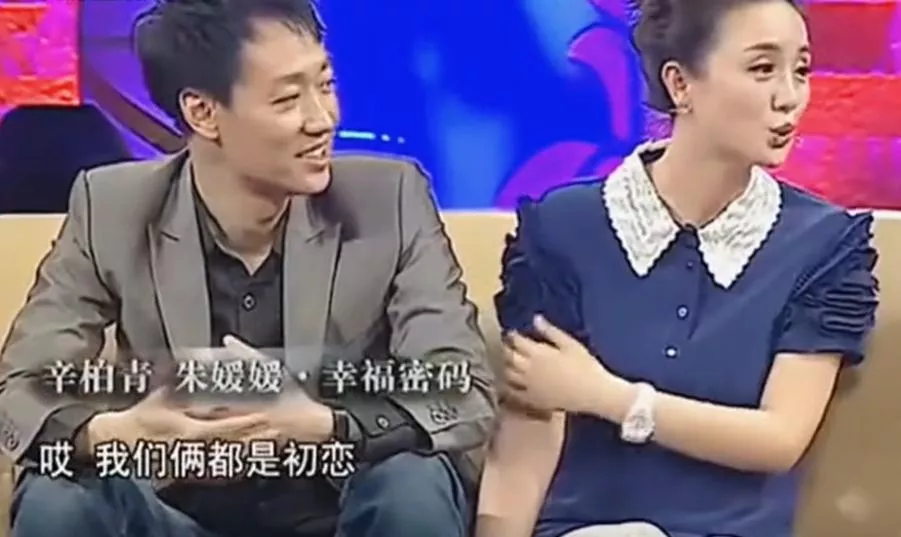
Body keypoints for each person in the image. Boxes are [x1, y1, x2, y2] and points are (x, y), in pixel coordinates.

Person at [1, 1, 495, 537]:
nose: (322, 119)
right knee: (57, 492)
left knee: (414, 483)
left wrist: (329, 427)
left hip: (344, 513)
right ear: (203, 113)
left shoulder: (389, 198)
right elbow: (20, 388)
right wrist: (115, 433)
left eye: (325, 85)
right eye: (287, 99)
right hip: (175, 515)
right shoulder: (112, 208)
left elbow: (462, 386)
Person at [475, 1, 879, 536]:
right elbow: (527, 442)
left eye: (800, 70)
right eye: (763, 69)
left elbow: (781, 437)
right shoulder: (564, 229)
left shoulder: (822, 244)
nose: (790, 97)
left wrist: (608, 397)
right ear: (680, 83)